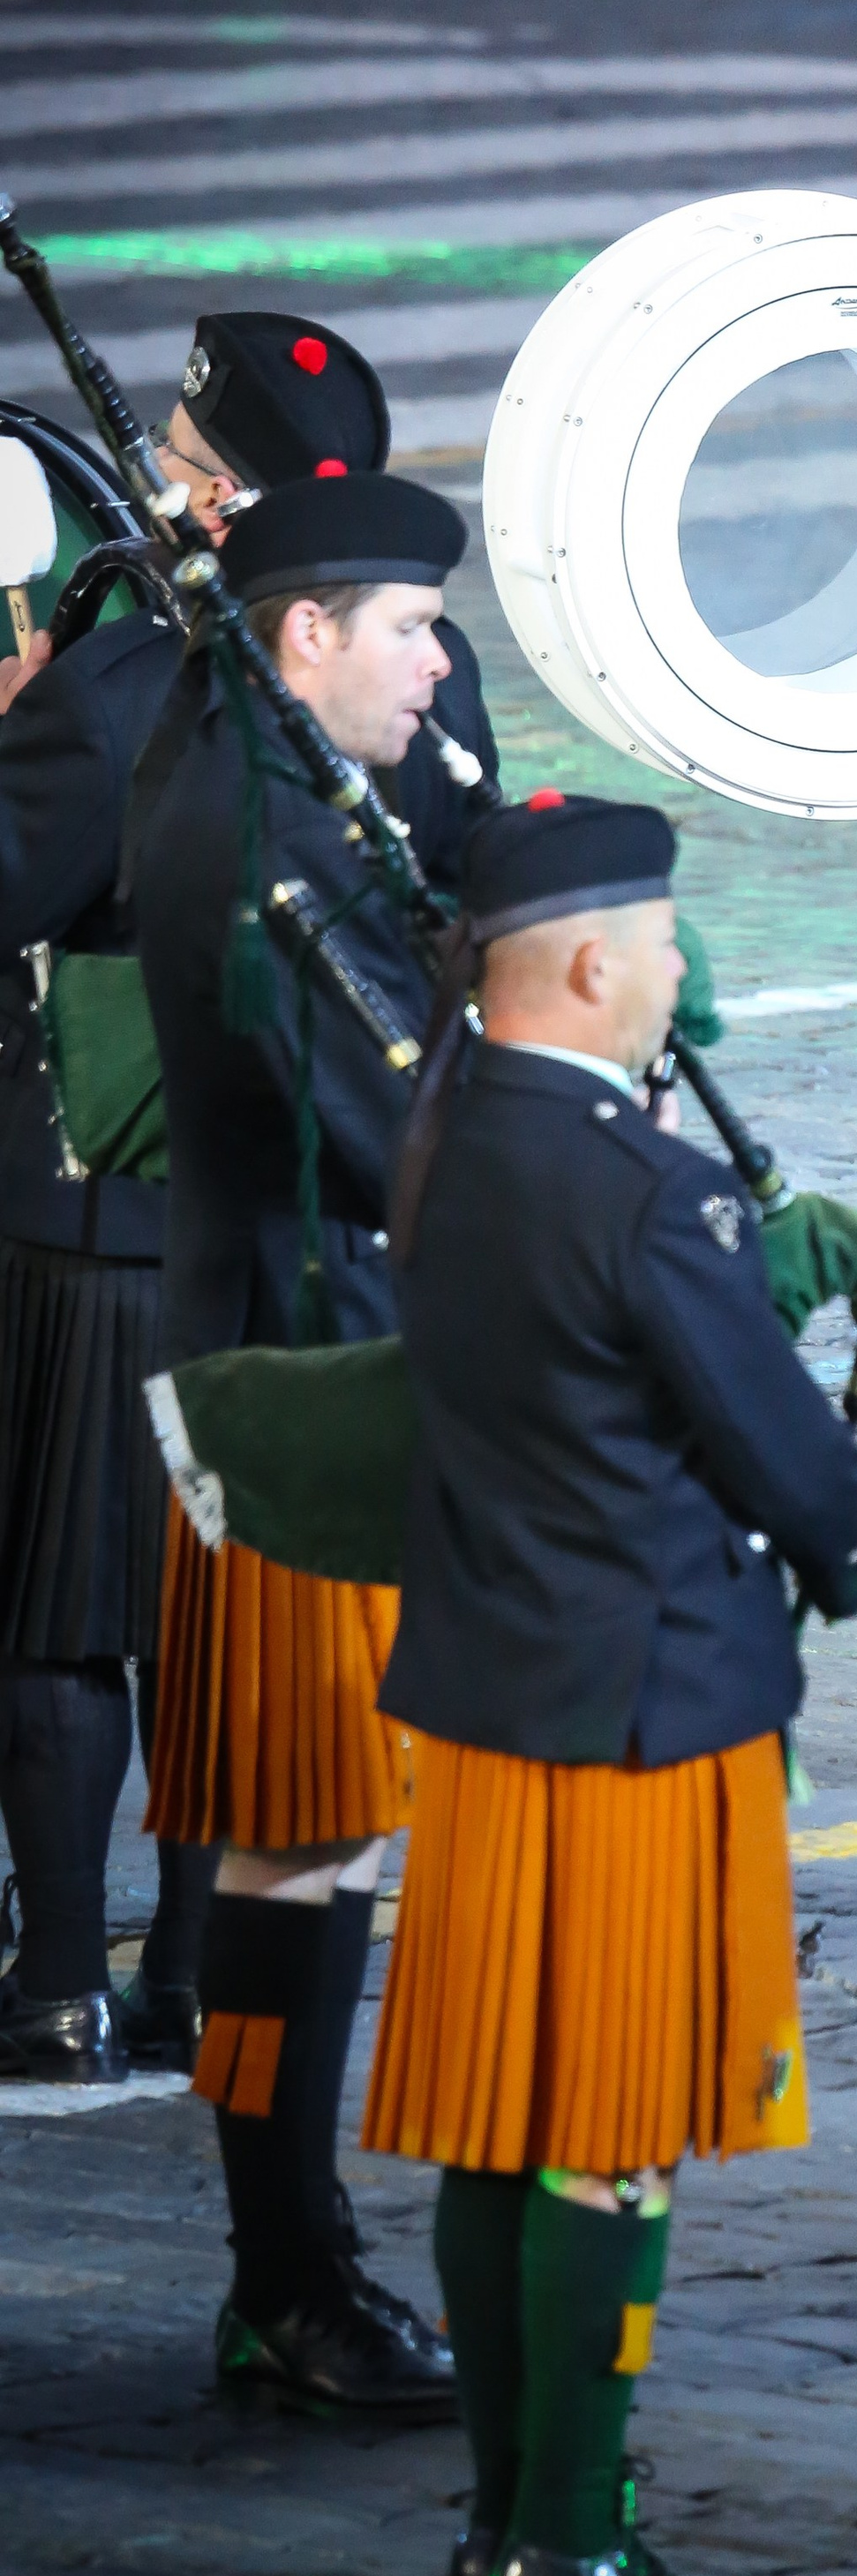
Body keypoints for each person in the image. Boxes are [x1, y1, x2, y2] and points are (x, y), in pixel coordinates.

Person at [363, 792, 857, 2576]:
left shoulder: (452, 1136)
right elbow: (780, 1451)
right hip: (647, 1704)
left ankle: (504, 2522)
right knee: (613, 2129)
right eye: (662, 943)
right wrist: (844, 1536)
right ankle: (573, 2530)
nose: (677, 968)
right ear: (595, 965)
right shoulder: (646, 1184)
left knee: (494, 2119)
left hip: (491, 1698)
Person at [0, 313, 493, 2088]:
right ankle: (202, 1965)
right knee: (229, 1620)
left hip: (98, 1215)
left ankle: (58, 1971)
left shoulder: (128, 677)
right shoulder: (415, 676)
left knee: (63, 1615)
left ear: (213, 494)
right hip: (297, 1233)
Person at [130, 469, 465, 2415]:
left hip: (296, 1362)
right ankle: (287, 2265)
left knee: (305, 1849)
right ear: (304, 636)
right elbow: (384, 1123)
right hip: (298, 1385)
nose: (440, 657)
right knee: (292, 1851)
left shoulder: (265, 768)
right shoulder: (266, 832)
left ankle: (293, 2251)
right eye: (407, 624)